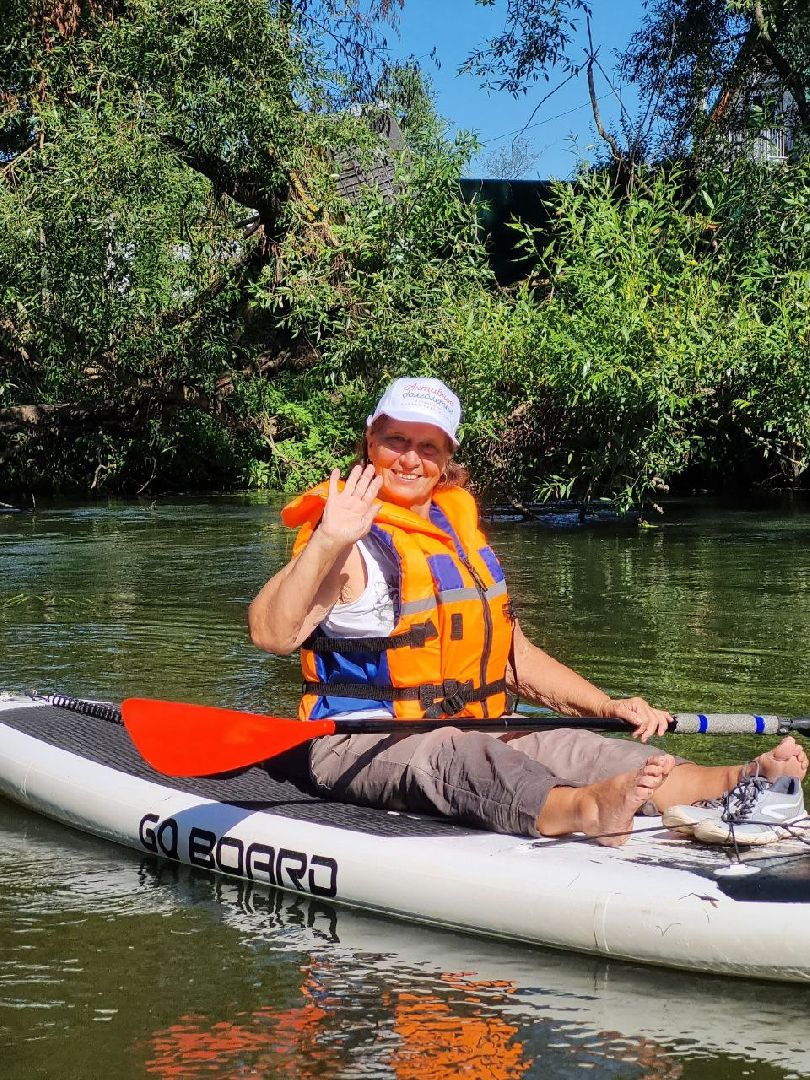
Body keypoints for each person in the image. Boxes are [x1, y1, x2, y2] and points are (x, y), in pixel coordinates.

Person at [249, 377, 808, 846]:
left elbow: (512, 655)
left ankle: (743, 780)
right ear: (371, 440)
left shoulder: (455, 532)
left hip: (482, 720)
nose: (412, 459)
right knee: (467, 757)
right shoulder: (346, 534)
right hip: (362, 741)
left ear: (447, 458)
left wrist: (604, 704)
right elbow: (271, 633)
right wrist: (329, 538)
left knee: (585, 744)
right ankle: (586, 812)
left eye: (429, 446)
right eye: (396, 440)